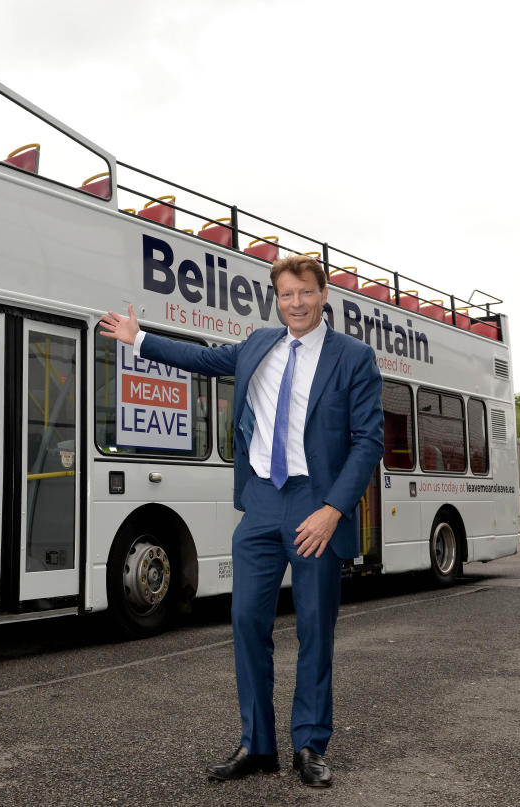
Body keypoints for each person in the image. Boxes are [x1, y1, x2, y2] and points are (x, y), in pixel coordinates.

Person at [100, 254, 383, 788]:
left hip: (315, 504)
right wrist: (139, 340)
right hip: (261, 503)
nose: (295, 304)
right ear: (276, 299)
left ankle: (310, 746)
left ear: (324, 296)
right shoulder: (259, 345)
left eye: (304, 293)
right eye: (285, 295)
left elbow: (368, 440)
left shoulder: (353, 357)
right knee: (248, 623)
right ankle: (258, 745)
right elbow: (203, 360)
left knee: (315, 630)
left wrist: (332, 510)